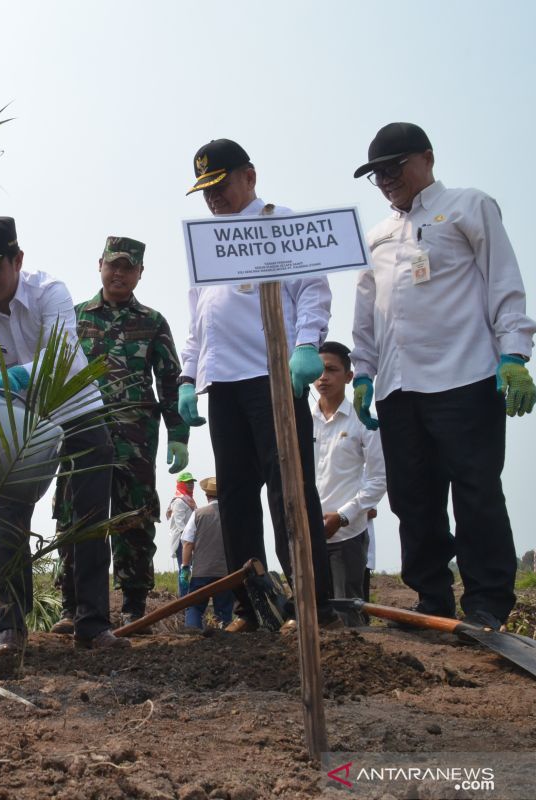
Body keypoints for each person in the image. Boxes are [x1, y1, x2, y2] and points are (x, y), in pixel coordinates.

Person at [351, 122, 536, 630]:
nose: (386, 180)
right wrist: (364, 373)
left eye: (394, 167)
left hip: (466, 376)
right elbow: (366, 314)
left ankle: (487, 602)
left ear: (427, 159)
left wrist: (514, 354)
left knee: (476, 489)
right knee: (413, 498)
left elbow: (504, 281)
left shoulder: (468, 206)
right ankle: (431, 598)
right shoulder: (376, 237)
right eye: (377, 174)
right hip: (398, 386)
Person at [177, 138, 339, 632]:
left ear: (249, 175)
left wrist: (308, 344)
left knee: (289, 491)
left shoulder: (281, 223)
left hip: (274, 378)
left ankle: (314, 602)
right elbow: (197, 319)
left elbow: (312, 290)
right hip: (222, 384)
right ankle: (253, 606)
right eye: (204, 189)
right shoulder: (206, 242)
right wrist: (188, 376)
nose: (213, 197)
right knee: (237, 499)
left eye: (219, 184)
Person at [0, 216, 129, 653]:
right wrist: (0, 386)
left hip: (77, 410)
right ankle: (10, 626)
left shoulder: (51, 292)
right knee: (9, 513)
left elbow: (62, 357)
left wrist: (14, 377)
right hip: (17, 422)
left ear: (17, 259)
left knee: (90, 517)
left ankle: (92, 622)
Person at [49, 237, 190, 630]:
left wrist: (179, 433)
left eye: (129, 268)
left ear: (140, 273)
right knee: (75, 515)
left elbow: (169, 381)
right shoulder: (75, 317)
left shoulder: (153, 322)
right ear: (100, 265)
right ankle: (72, 605)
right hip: (80, 433)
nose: (120, 273)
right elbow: (54, 374)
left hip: (135, 441)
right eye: (114, 265)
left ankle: (133, 606)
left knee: (135, 519)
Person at [311, 341, 386, 626]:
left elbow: (379, 480)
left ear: (348, 376)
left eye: (331, 370)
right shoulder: (303, 421)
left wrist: (342, 516)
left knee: (348, 613)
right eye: (318, 371)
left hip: (347, 535)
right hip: (310, 533)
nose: (323, 378)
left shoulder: (364, 421)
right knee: (315, 615)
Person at [179, 477, 234, 630]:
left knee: (195, 608)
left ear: (207, 496)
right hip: (225, 573)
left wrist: (185, 567)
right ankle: (224, 635)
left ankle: (193, 632)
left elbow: (188, 543)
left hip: (201, 573)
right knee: (223, 612)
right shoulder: (231, 515)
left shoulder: (198, 514)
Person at [166, 473, 197, 597]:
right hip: (182, 540)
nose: (190, 484)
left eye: (192, 482)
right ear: (181, 484)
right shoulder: (179, 501)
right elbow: (180, 524)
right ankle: (184, 597)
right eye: (187, 482)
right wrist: (189, 540)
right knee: (184, 568)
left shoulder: (189, 499)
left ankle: (187, 595)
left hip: (189, 539)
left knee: (188, 568)